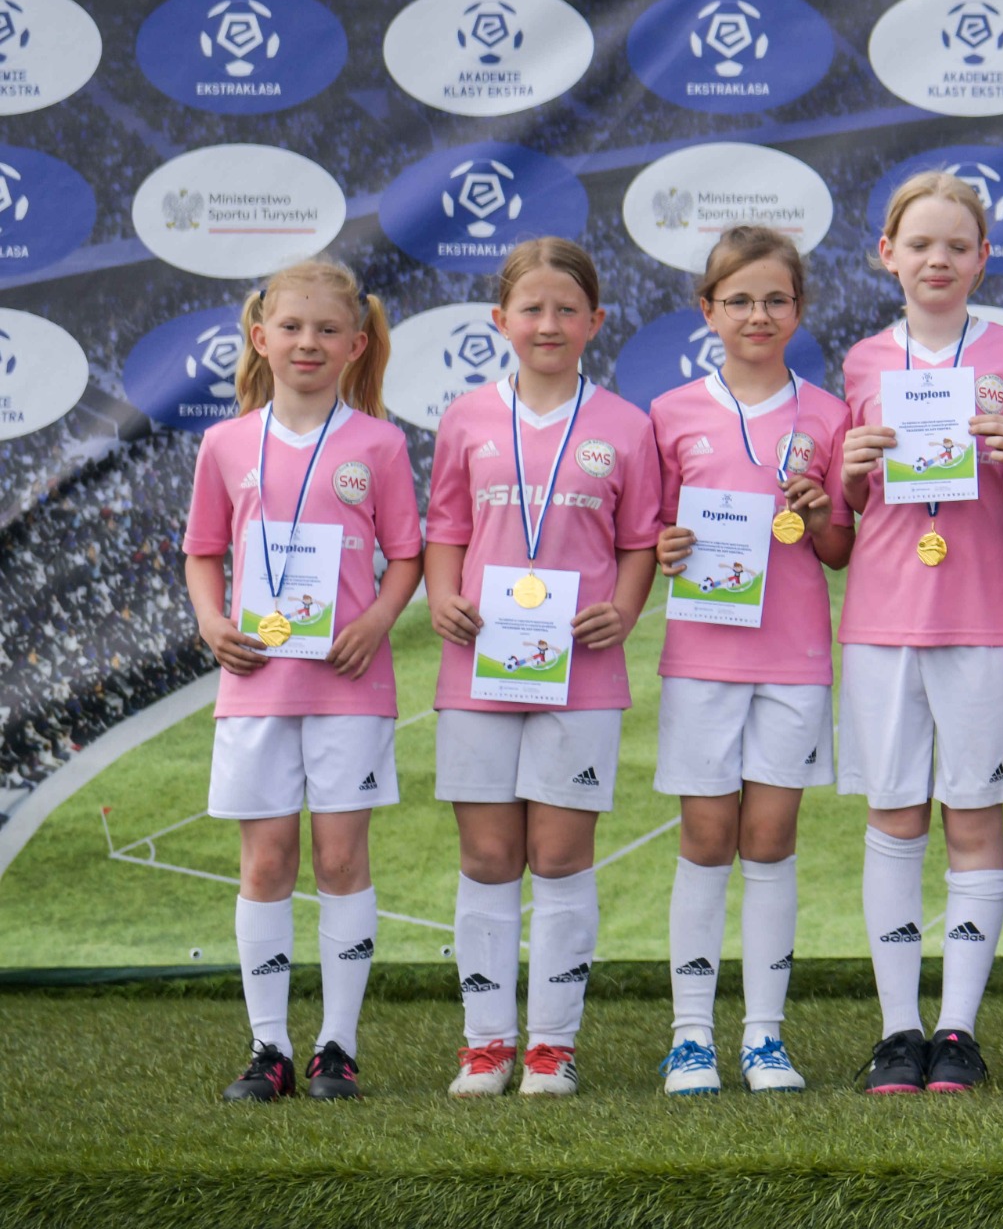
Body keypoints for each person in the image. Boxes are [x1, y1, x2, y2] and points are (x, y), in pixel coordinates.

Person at [427, 238, 663, 1096]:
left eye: (567, 308)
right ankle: (486, 1043)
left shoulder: (627, 426)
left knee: (561, 857)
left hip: (581, 669)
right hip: (479, 665)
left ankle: (552, 1046)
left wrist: (625, 610)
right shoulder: (466, 418)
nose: (549, 323)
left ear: (595, 320)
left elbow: (639, 540)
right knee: (488, 855)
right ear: (501, 319)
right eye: (532, 308)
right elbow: (445, 527)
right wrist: (442, 595)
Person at [184, 260, 421, 1102]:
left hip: (349, 684)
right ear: (261, 337)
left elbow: (407, 556)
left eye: (327, 329)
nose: (307, 342)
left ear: (357, 343)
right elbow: (202, 551)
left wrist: (376, 620)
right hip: (256, 685)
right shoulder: (225, 443)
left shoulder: (380, 444)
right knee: (266, 861)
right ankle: (269, 1047)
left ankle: (336, 1046)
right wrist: (212, 621)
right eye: (291, 327)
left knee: (342, 857)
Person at [836, 172, 1003, 1094]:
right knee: (893, 816)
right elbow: (845, 511)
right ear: (888, 254)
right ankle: (897, 1029)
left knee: (974, 815)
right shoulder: (861, 362)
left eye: (957, 245)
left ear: (983, 257)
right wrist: (849, 470)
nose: (938, 260)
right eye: (920, 244)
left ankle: (957, 1029)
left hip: (984, 616)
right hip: (883, 619)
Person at [647, 227, 853, 1096]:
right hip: (702, 656)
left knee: (770, 839)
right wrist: (665, 546)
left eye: (775, 299)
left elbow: (839, 550)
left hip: (794, 657)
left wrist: (821, 516)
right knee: (705, 836)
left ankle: (764, 1035)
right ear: (708, 309)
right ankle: (691, 1035)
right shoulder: (671, 413)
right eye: (738, 299)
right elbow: (651, 534)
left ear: (798, 310)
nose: (757, 314)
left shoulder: (829, 414)